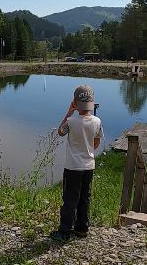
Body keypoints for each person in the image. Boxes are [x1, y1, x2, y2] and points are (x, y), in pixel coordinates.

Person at [50, 84, 104, 242]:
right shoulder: (97, 121)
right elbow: (95, 144)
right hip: (89, 167)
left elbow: (60, 132)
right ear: (92, 104)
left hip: (73, 167)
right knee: (84, 198)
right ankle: (82, 228)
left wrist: (69, 112)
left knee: (70, 199)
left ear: (75, 102)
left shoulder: (72, 122)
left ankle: (65, 231)